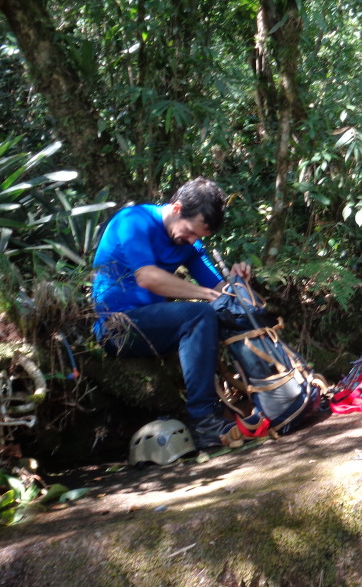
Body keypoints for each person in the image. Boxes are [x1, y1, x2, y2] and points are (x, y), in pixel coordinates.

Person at [90, 177, 250, 450]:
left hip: (154, 323)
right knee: (200, 315)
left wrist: (238, 283)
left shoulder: (190, 244)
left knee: (225, 313)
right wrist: (206, 296)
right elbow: (147, 278)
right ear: (176, 208)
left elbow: (222, 292)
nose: (192, 240)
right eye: (190, 232)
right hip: (117, 327)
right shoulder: (134, 220)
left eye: (199, 237)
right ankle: (204, 421)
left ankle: (261, 393)